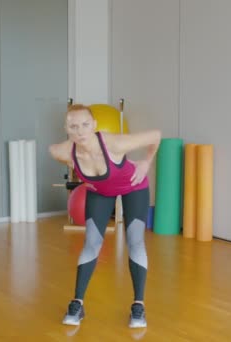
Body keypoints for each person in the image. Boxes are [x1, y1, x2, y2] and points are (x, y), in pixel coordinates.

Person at [49, 104, 161, 328]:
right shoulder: (62, 151)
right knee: (91, 243)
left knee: (135, 241)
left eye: (85, 125)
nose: (80, 131)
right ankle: (77, 303)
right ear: (66, 128)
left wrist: (146, 163)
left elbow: (155, 135)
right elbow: (54, 150)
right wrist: (84, 178)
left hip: (133, 187)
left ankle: (138, 306)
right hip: (100, 192)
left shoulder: (114, 143)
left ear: (94, 125)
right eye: (73, 126)